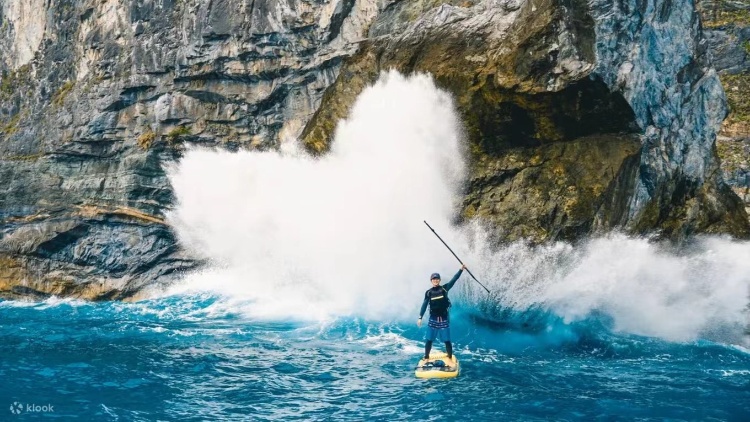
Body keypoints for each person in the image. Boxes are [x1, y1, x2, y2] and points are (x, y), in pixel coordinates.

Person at [417, 264, 466, 363]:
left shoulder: (444, 288)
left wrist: (461, 269)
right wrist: (420, 317)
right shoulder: (428, 292)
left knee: (447, 340)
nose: (435, 280)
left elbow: (454, 279)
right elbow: (424, 304)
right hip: (433, 319)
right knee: (429, 340)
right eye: (433, 279)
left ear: (439, 280)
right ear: (431, 280)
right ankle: (426, 357)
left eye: (437, 279)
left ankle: (449, 357)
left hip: (443, 318)